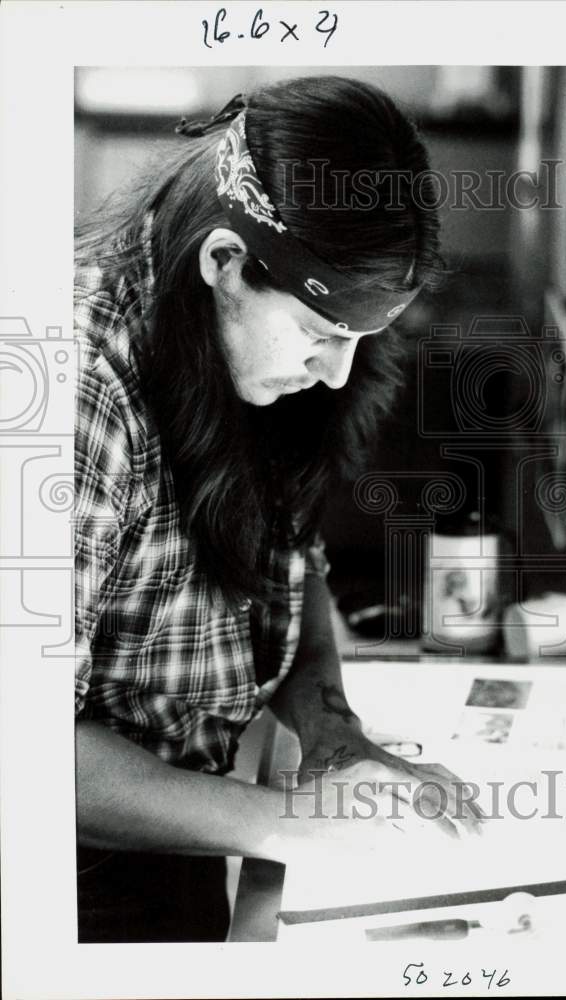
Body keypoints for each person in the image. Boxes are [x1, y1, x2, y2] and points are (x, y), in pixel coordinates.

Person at [74, 75, 482, 943]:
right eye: (322, 334)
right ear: (223, 261)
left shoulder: (256, 343)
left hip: (193, 824)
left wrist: (332, 730)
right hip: (70, 879)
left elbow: (293, 569)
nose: (336, 373)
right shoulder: (75, 395)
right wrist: (296, 827)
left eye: (362, 342)